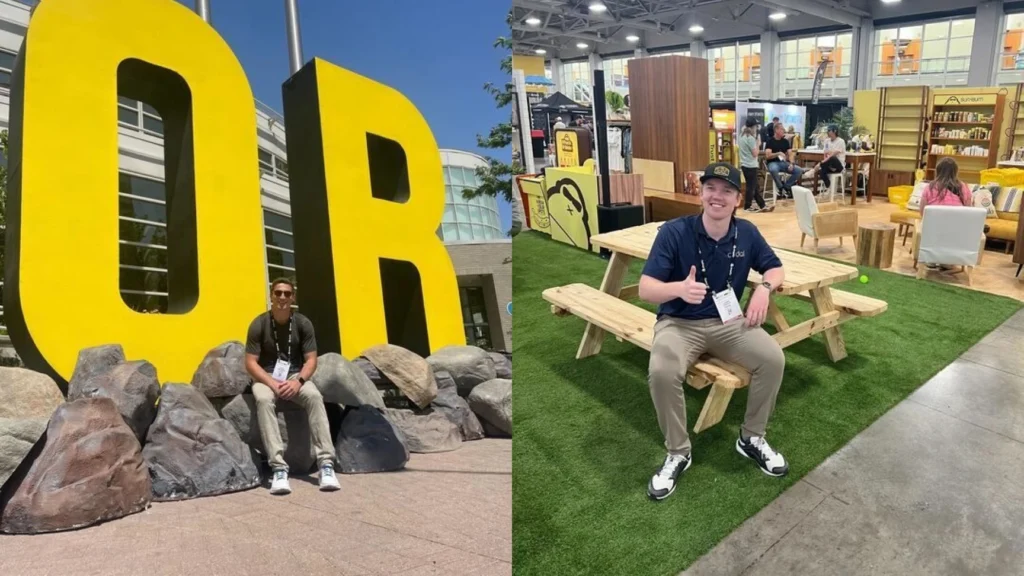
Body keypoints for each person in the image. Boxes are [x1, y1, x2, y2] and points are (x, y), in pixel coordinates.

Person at [639, 162, 789, 501]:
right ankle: (678, 451)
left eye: (726, 191)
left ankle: (751, 437)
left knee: (773, 359)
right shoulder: (675, 232)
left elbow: (775, 267)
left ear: (738, 198)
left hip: (729, 323)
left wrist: (764, 288)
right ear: (701, 192)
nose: (717, 197)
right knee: (662, 372)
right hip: (678, 324)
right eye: (711, 188)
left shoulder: (747, 232)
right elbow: (646, 289)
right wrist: (678, 289)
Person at [245, 278, 341, 495]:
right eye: (278, 293)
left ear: (293, 298)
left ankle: (326, 464)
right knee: (262, 399)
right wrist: (272, 383)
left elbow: (312, 360)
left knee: (315, 396)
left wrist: (298, 382)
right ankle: (278, 468)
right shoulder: (259, 324)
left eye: (287, 294)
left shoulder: (302, 324)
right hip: (265, 377)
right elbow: (250, 362)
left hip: (294, 375)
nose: (282, 298)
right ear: (271, 296)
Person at [739, 118, 772, 213]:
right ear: (753, 127)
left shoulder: (742, 136)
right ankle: (747, 206)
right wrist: (758, 143)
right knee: (751, 187)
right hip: (751, 165)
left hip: (745, 164)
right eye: (756, 126)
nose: (757, 128)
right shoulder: (751, 138)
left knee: (755, 187)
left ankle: (762, 205)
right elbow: (755, 153)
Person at [765, 123, 803, 198]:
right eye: (782, 129)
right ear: (776, 130)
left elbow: (790, 154)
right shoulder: (770, 141)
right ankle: (780, 187)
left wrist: (792, 163)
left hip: (783, 163)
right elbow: (768, 156)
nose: (784, 131)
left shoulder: (785, 141)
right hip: (773, 162)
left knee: (799, 170)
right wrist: (778, 153)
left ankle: (786, 187)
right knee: (773, 169)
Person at [806, 125, 846, 191]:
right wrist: (824, 161)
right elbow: (825, 154)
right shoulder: (827, 141)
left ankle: (814, 169)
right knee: (821, 171)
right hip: (828, 164)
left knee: (832, 158)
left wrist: (820, 164)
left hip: (838, 166)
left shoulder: (841, 141)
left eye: (829, 130)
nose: (827, 132)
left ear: (835, 131)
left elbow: (833, 154)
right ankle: (828, 184)